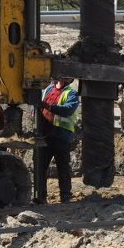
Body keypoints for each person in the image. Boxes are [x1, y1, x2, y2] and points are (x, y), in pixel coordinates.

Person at [34, 76, 80, 204]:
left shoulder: (71, 93)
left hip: (61, 135)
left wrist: (49, 107)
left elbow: (68, 109)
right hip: (45, 135)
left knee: (63, 167)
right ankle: (41, 196)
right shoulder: (48, 89)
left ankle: (65, 196)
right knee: (40, 166)